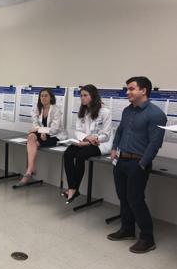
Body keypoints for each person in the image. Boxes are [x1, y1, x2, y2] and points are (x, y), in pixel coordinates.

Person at [107, 76, 166, 254]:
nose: (128, 92)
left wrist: (142, 164)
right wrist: (113, 148)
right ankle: (127, 230)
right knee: (123, 197)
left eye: (131, 88)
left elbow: (155, 143)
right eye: (127, 89)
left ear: (143, 91)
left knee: (136, 200)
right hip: (121, 161)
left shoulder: (156, 114)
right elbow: (120, 130)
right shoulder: (127, 111)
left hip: (137, 164)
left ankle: (147, 239)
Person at [63, 84, 112, 204]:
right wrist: (85, 138)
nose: (82, 98)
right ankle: (72, 188)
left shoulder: (105, 112)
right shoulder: (83, 111)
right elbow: (77, 130)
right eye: (81, 96)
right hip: (84, 141)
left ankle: (74, 189)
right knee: (68, 153)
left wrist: (90, 140)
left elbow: (106, 135)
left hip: (100, 144)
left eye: (85, 95)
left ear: (93, 96)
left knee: (80, 156)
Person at [17, 88, 67, 186]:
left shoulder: (56, 110)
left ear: (51, 97)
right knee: (31, 136)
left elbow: (54, 129)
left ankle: (28, 172)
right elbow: (35, 124)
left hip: (55, 136)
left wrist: (41, 131)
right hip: (43, 133)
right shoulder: (37, 109)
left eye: (46, 95)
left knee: (34, 143)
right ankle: (30, 170)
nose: (43, 98)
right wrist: (41, 132)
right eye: (41, 96)